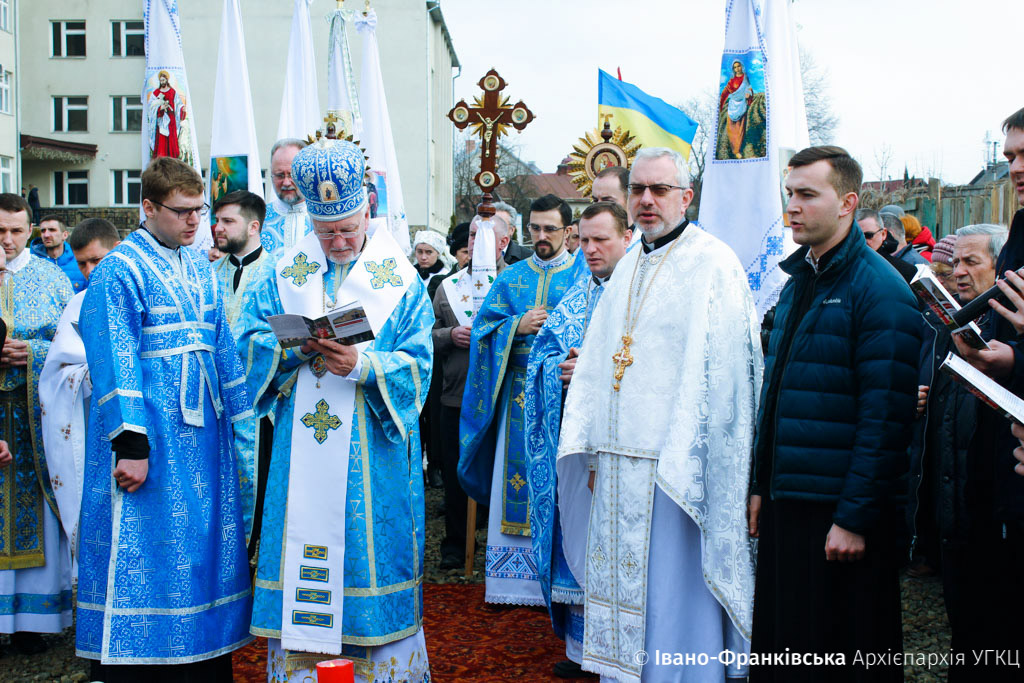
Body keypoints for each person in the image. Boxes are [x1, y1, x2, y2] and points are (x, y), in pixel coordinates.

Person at [556, 147, 759, 681]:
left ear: (685, 197)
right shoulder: (629, 265)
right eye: (638, 190)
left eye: (660, 190)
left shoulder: (714, 263)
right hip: (617, 466)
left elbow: (725, 377)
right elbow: (603, 359)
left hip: (675, 470)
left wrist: (687, 458)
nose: (647, 200)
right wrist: (593, 448)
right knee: (626, 594)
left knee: (673, 592)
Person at [239, 136, 433, 682]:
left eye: (348, 228)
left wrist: (365, 366)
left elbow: (420, 363)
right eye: (327, 232)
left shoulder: (401, 280)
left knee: (370, 550)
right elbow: (247, 346)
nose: (340, 241)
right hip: (300, 450)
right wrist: (293, 348)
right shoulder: (282, 273)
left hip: (373, 454)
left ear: (367, 209)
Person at [747, 146, 921, 682]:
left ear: (847, 203)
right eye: (789, 194)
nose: (791, 207)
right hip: (790, 501)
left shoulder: (880, 291)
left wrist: (853, 518)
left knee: (840, 653)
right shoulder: (802, 279)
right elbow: (776, 393)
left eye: (806, 194)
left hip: (839, 513)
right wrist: (761, 484)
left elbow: (885, 419)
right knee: (787, 647)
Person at [76, 157, 253, 680]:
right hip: (151, 436)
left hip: (205, 437)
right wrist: (131, 445)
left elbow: (219, 340)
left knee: (201, 546)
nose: (196, 221)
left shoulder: (199, 265)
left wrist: (243, 417)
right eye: (182, 212)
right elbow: (113, 356)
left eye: (200, 210)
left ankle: (202, 655)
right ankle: (142, 663)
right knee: (150, 544)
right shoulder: (119, 270)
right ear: (149, 207)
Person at [524, 201, 631, 678]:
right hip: (576, 443)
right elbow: (543, 355)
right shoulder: (580, 291)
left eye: (600, 239)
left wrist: (588, 367)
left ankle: (621, 654)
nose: (589, 249)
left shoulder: (638, 290)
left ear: (627, 237)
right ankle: (585, 653)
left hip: (622, 442)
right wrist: (558, 367)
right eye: (583, 240)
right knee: (581, 537)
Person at [459, 193, 578, 607]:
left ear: (568, 231)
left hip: (563, 397)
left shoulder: (583, 276)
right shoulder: (511, 278)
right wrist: (516, 325)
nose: (541, 236)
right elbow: (481, 332)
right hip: (516, 397)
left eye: (550, 229)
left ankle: (561, 577)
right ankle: (512, 583)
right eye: (535, 228)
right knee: (515, 478)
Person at [0, 193, 74, 655]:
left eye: (14, 230)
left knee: (39, 515)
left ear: (30, 231)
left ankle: (33, 620)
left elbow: (75, 347)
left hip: (34, 417)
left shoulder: (52, 279)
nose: (6, 240)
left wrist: (34, 352)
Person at [39, 219, 120, 578]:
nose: (89, 271)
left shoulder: (138, 295)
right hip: (92, 428)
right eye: (83, 263)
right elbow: (57, 370)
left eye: (97, 260)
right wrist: (88, 374)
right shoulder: (77, 304)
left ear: (116, 251)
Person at [433, 214, 512, 570]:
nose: (476, 242)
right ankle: (456, 544)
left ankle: (500, 543)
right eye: (472, 235)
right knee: (455, 474)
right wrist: (449, 336)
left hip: (502, 396)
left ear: (503, 242)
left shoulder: (516, 282)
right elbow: (426, 333)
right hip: (456, 393)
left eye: (486, 236)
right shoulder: (447, 286)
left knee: (500, 473)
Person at [210, 190, 275, 556]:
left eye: (227, 221)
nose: (217, 228)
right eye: (216, 220)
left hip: (261, 405)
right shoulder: (207, 274)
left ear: (253, 226)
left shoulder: (280, 273)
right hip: (214, 404)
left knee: (260, 483)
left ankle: (255, 564)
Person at [413, 229, 448, 491]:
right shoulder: (408, 275)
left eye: (429, 252)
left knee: (434, 412)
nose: (423, 257)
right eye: (419, 252)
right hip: (412, 350)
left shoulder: (445, 279)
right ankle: (415, 462)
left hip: (436, 354)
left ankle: (436, 464)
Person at [262, 138, 314, 252]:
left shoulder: (324, 218)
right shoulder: (259, 218)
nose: (286, 183)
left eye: (292, 175)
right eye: (280, 175)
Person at [854, 207, 916, 283]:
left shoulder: (904, 271)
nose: (862, 240)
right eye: (857, 236)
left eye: (868, 235)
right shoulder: (845, 267)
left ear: (883, 234)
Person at [31, 216, 87, 293]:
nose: (46, 235)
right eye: (43, 231)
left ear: (65, 235)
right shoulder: (31, 262)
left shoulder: (81, 262)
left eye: (52, 230)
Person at [148, 70, 186, 160]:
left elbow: (178, 104)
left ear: (167, 80)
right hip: (161, 120)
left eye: (163, 80)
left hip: (171, 121)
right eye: (161, 80)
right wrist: (160, 108)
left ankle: (172, 160)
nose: (162, 82)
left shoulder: (172, 92)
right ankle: (161, 159)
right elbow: (151, 107)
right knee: (162, 141)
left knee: (171, 142)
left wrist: (182, 109)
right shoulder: (156, 93)